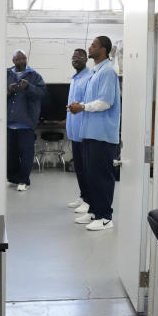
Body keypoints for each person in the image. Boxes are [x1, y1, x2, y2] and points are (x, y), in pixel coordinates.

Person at [67, 36, 120, 231]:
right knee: (91, 176)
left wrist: (82, 107)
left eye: (94, 45)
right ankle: (94, 212)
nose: (90, 47)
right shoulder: (95, 73)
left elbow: (105, 102)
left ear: (104, 50)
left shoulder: (107, 72)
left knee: (102, 177)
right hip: (89, 134)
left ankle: (105, 217)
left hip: (103, 135)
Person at [6, 49, 45, 192]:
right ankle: (13, 179)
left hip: (26, 123)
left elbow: (42, 93)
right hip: (9, 123)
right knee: (10, 154)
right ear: (13, 61)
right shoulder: (6, 74)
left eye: (23, 59)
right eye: (18, 59)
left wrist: (29, 87)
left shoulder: (34, 75)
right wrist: (7, 91)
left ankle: (24, 180)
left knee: (26, 154)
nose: (21, 61)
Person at [65, 48, 91, 214]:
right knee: (79, 167)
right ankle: (83, 196)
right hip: (74, 131)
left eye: (79, 56)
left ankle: (89, 201)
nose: (75, 59)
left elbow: (87, 104)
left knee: (87, 169)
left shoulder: (89, 77)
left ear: (86, 58)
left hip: (84, 131)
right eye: (73, 57)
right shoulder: (75, 78)